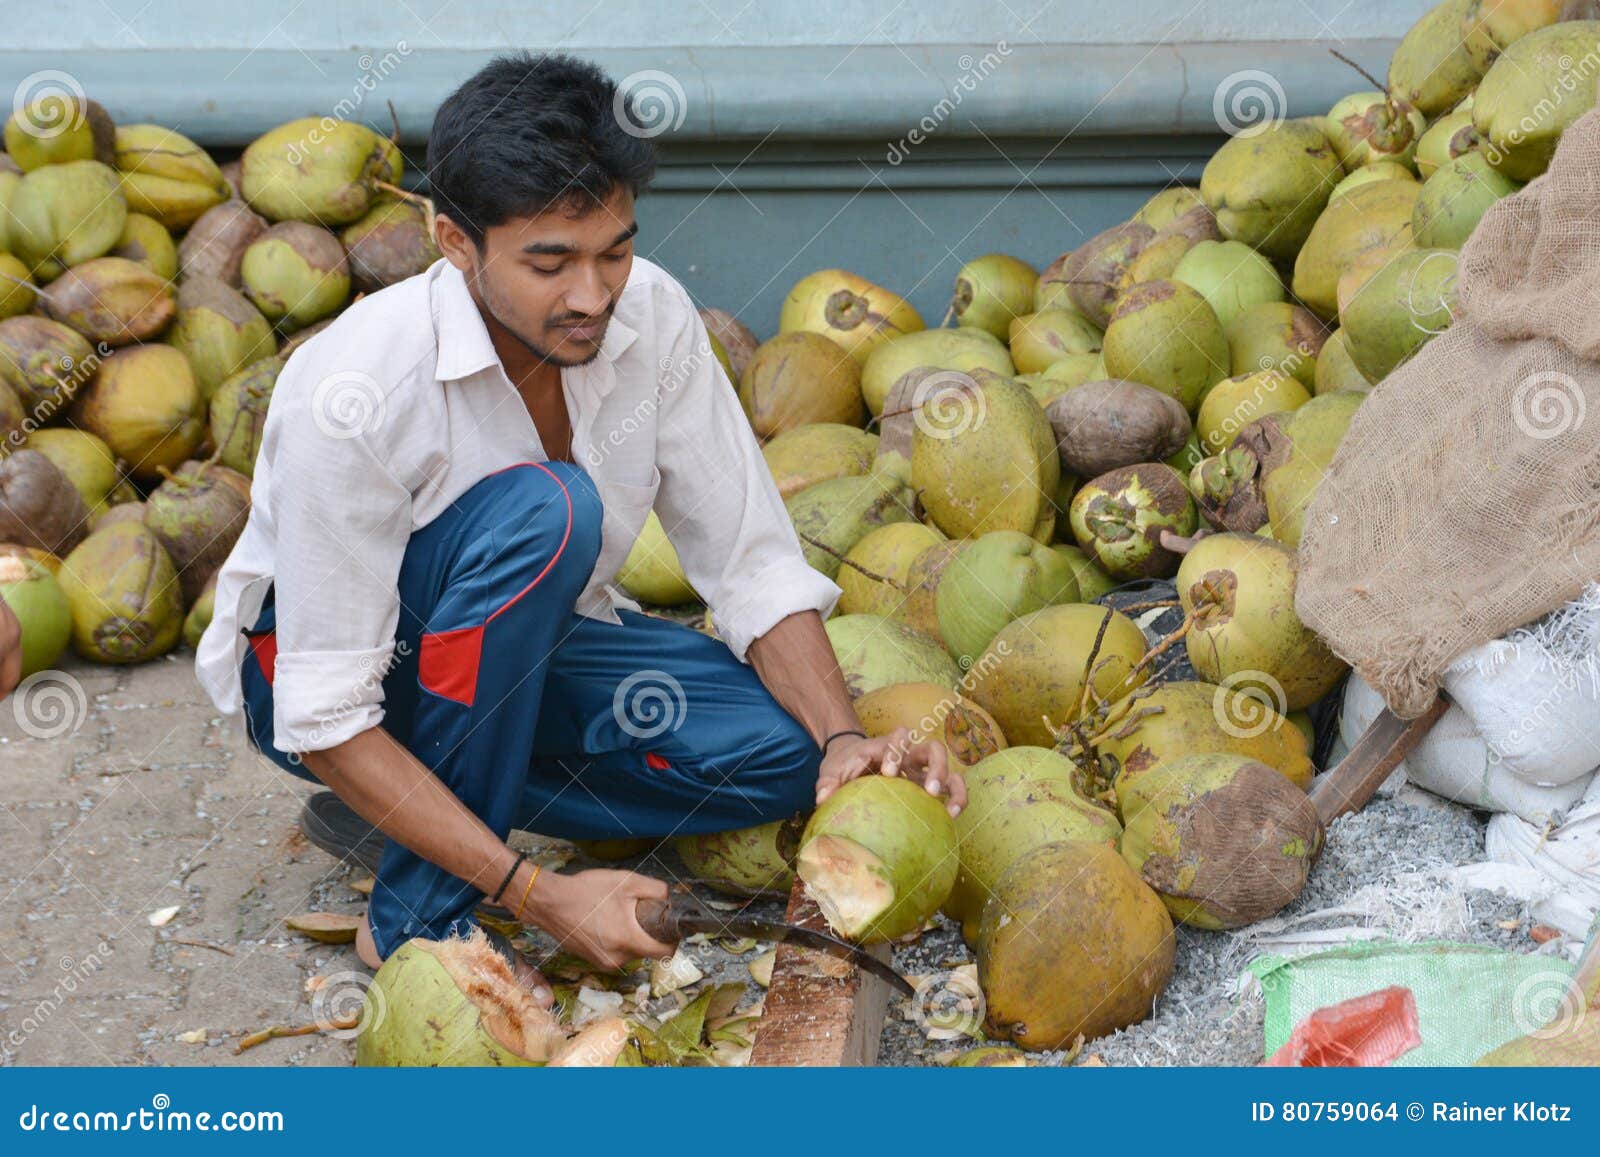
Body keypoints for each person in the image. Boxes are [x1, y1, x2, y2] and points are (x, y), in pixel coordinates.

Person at [195, 53, 964, 1002]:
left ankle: (431, 805)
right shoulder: (355, 393)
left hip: (518, 652)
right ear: (455, 243)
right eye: (550, 262)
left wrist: (845, 740)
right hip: (322, 681)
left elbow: (751, 562)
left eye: (614, 250)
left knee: (786, 752)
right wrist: (542, 892)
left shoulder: (654, 319)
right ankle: (417, 914)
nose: (594, 294)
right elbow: (325, 713)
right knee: (547, 510)